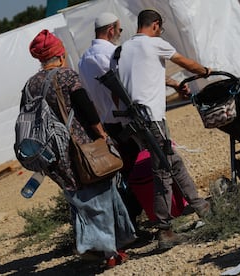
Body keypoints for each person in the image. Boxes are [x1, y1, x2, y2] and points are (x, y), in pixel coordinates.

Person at [22, 29, 136, 268]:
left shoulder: (30, 85)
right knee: (100, 196)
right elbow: (87, 108)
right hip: (80, 148)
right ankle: (107, 252)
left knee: (78, 200)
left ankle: (93, 245)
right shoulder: (66, 76)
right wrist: (102, 134)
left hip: (52, 155)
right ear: (61, 55)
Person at [116, 9, 213, 249]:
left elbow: (144, 76)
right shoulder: (155, 43)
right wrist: (205, 71)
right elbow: (185, 62)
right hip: (151, 118)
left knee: (172, 161)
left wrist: (175, 84)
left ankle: (201, 205)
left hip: (132, 120)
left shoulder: (124, 49)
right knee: (162, 170)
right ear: (156, 25)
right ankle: (164, 229)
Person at [78, 12, 143, 229]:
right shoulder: (111, 53)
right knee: (141, 166)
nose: (119, 34)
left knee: (126, 169)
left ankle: (130, 220)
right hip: (125, 120)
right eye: (119, 30)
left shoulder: (83, 60)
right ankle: (139, 216)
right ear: (111, 30)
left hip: (107, 123)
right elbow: (120, 86)